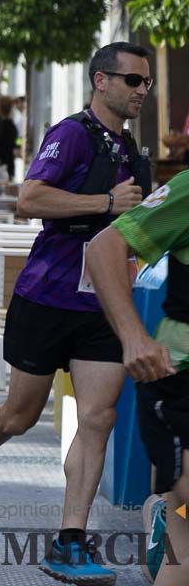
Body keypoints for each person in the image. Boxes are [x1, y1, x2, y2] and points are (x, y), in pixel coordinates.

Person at [0, 41, 154, 585]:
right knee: (20, 415)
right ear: (100, 81)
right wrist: (104, 203)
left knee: (98, 419)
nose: (141, 91)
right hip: (48, 296)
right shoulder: (72, 135)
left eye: (146, 83)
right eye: (132, 80)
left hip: (105, 305)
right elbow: (30, 199)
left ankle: (70, 540)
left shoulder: (135, 154)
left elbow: (137, 230)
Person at [86, 171, 189, 585]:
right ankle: (171, 508)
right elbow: (104, 247)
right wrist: (133, 337)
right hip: (182, 376)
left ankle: (169, 509)